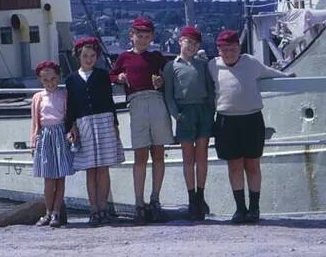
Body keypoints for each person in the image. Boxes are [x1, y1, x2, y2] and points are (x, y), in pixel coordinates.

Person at [209, 29, 295, 224]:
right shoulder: (212, 65)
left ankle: (254, 209)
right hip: (226, 121)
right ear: (219, 50)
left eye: (232, 48)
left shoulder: (251, 62)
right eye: (225, 49)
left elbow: (268, 72)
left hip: (252, 119)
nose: (229, 53)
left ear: (239, 48)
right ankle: (240, 209)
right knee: (235, 165)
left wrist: (286, 76)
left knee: (253, 165)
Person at [109, 16, 173, 224]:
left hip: (156, 102)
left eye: (147, 36)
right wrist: (118, 78)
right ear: (132, 36)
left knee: (158, 153)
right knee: (140, 155)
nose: (143, 40)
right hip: (136, 102)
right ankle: (139, 202)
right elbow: (112, 74)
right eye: (139, 36)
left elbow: (169, 77)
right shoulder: (124, 57)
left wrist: (161, 81)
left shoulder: (156, 57)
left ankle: (155, 199)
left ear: (152, 37)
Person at [64, 37, 124, 226]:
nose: (89, 59)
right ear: (78, 57)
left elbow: (109, 101)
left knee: (103, 168)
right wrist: (71, 126)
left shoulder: (102, 75)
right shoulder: (72, 79)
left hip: (104, 121)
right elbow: (71, 105)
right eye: (85, 56)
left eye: (92, 56)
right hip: (84, 124)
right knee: (91, 169)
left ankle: (104, 207)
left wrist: (115, 124)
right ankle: (94, 209)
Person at [162, 25, 214, 220]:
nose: (191, 46)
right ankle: (191, 198)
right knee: (188, 158)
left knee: (202, 157)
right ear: (180, 41)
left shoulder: (202, 65)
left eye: (195, 43)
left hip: (203, 111)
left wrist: (211, 111)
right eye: (188, 42)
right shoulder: (171, 66)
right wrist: (176, 115)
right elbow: (168, 96)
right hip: (185, 113)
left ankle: (201, 196)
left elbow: (210, 91)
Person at [31, 60, 74, 228]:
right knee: (48, 179)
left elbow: (69, 117)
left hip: (60, 135)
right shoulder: (37, 97)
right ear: (41, 81)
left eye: (53, 79)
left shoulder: (64, 95)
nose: (50, 83)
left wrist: (71, 132)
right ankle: (48, 212)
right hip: (46, 136)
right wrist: (34, 140)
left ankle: (57, 212)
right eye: (46, 80)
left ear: (59, 77)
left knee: (60, 178)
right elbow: (35, 122)